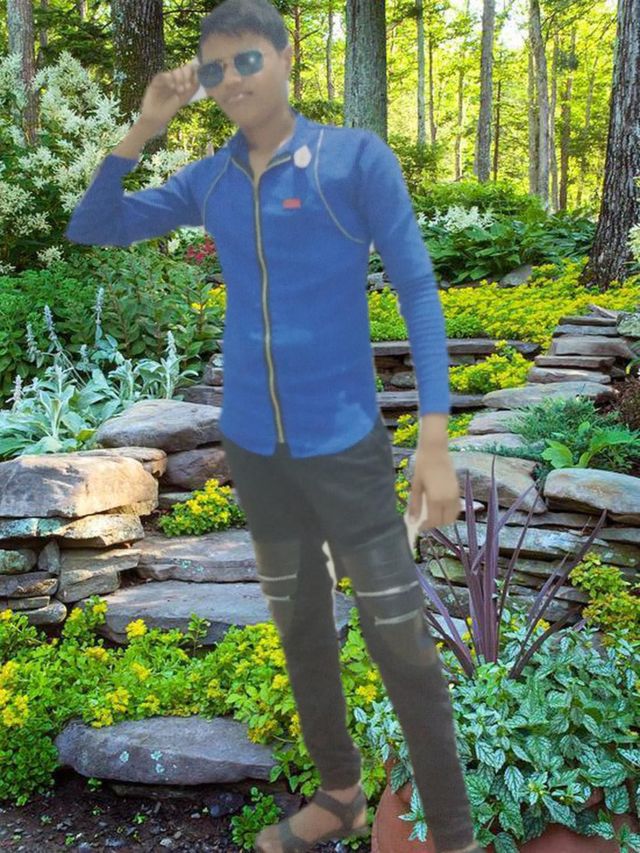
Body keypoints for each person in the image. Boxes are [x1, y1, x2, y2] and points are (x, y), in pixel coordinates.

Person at [64, 1, 484, 851]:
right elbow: (94, 223)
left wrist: (434, 436)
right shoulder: (210, 180)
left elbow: (417, 287)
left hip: (345, 446)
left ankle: (455, 833)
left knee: (398, 637)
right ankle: (340, 794)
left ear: (286, 56)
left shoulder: (354, 160)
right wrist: (147, 123)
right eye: (215, 70)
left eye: (247, 60)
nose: (231, 81)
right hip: (257, 448)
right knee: (300, 627)